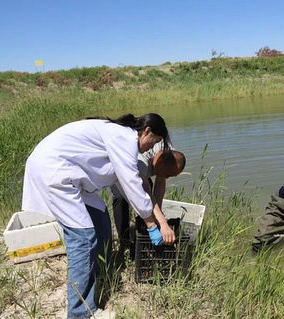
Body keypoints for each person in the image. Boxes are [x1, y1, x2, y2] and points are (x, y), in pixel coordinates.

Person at [21, 113, 176, 319]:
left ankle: (101, 274)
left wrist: (156, 218)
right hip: (55, 171)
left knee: (101, 219)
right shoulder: (124, 139)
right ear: (146, 131)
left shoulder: (122, 139)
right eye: (154, 141)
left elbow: (131, 186)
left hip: (73, 177)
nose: (151, 147)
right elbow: (132, 185)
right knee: (83, 239)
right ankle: (80, 312)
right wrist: (151, 224)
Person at [111, 143, 186, 256]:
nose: (167, 178)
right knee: (120, 198)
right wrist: (162, 223)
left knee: (152, 209)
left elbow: (160, 182)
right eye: (168, 175)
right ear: (159, 164)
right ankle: (124, 240)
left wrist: (158, 215)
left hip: (144, 172)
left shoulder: (167, 153)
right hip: (120, 169)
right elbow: (146, 195)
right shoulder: (142, 163)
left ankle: (145, 226)